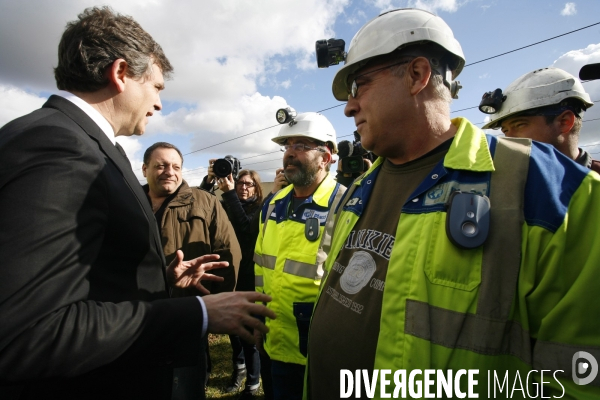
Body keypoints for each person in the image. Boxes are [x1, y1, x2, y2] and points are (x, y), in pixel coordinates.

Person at [306, 8, 600, 399]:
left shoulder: (550, 188)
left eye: (360, 85)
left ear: (417, 75)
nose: (349, 106)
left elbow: (578, 375)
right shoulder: (362, 185)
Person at [0, 7, 274, 400]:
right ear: (121, 73)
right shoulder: (59, 147)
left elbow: (77, 280)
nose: (160, 103)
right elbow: (30, 330)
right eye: (157, 87)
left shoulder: (75, 142)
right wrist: (200, 313)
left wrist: (161, 280)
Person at [253, 112, 345, 400]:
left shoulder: (344, 204)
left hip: (319, 350)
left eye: (302, 145)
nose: (290, 153)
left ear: (326, 157)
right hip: (272, 339)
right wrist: (258, 319)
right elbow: (260, 269)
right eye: (287, 145)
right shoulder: (273, 204)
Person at [143, 142, 242, 400]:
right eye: (160, 165)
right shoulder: (131, 202)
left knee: (184, 388)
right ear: (145, 169)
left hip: (187, 313)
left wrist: (212, 305)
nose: (169, 171)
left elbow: (229, 253)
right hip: (139, 314)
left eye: (175, 166)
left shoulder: (205, 202)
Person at [201, 167, 264, 399]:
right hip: (229, 277)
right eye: (240, 184)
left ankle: (253, 382)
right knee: (232, 331)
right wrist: (208, 181)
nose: (243, 188)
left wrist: (229, 195)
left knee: (248, 334)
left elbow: (246, 229)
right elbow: (199, 202)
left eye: (249, 184)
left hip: (248, 279)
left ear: (256, 187)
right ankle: (239, 370)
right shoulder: (226, 204)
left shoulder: (261, 209)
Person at [481, 67, 600, 173]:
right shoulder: (510, 183)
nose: (508, 138)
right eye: (505, 130)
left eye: (520, 125)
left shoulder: (595, 181)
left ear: (565, 121)